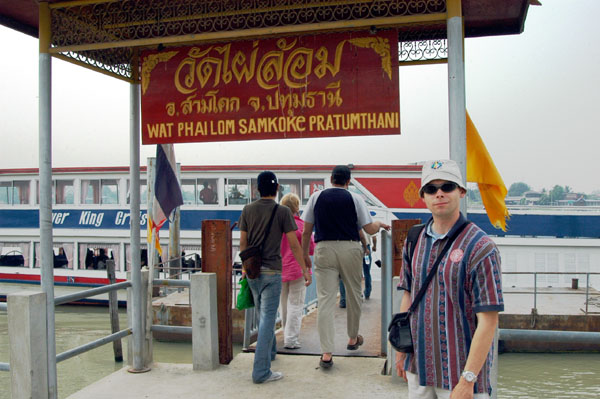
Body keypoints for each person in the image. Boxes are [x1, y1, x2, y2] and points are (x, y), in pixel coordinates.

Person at [396, 159, 504, 399]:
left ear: (461, 191)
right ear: (423, 196)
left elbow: (488, 320)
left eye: (448, 186)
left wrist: (468, 380)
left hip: (460, 376)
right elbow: (408, 293)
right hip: (418, 369)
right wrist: (401, 351)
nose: (440, 194)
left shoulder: (481, 247)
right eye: (432, 189)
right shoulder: (414, 240)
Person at [301, 165, 390, 369]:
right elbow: (368, 228)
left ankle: (326, 352)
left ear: (331, 179)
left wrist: (307, 255)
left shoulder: (316, 197)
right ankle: (352, 338)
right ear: (348, 181)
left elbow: (306, 231)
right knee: (354, 293)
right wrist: (379, 224)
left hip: (323, 248)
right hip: (350, 248)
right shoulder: (355, 199)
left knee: (325, 300)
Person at [239, 171, 311, 384]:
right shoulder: (282, 212)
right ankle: (261, 372)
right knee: (268, 320)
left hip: (253, 272)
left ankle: (269, 354)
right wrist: (305, 269)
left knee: (263, 315)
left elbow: (242, 244)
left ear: (257, 189)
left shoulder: (247, 210)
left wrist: (246, 269)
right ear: (277, 188)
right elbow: (294, 244)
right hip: (272, 272)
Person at [279, 193, 315, 350]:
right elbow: (311, 248)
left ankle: (285, 332)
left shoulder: (276, 226)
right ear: (297, 208)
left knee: (283, 304)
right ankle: (291, 339)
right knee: (296, 304)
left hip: (278, 270)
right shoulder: (301, 226)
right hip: (298, 270)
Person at [339, 229, 372, 308]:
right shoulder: (362, 222)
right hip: (360, 246)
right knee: (363, 273)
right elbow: (363, 236)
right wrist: (365, 248)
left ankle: (343, 299)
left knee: (343, 274)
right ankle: (361, 295)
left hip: (345, 247)